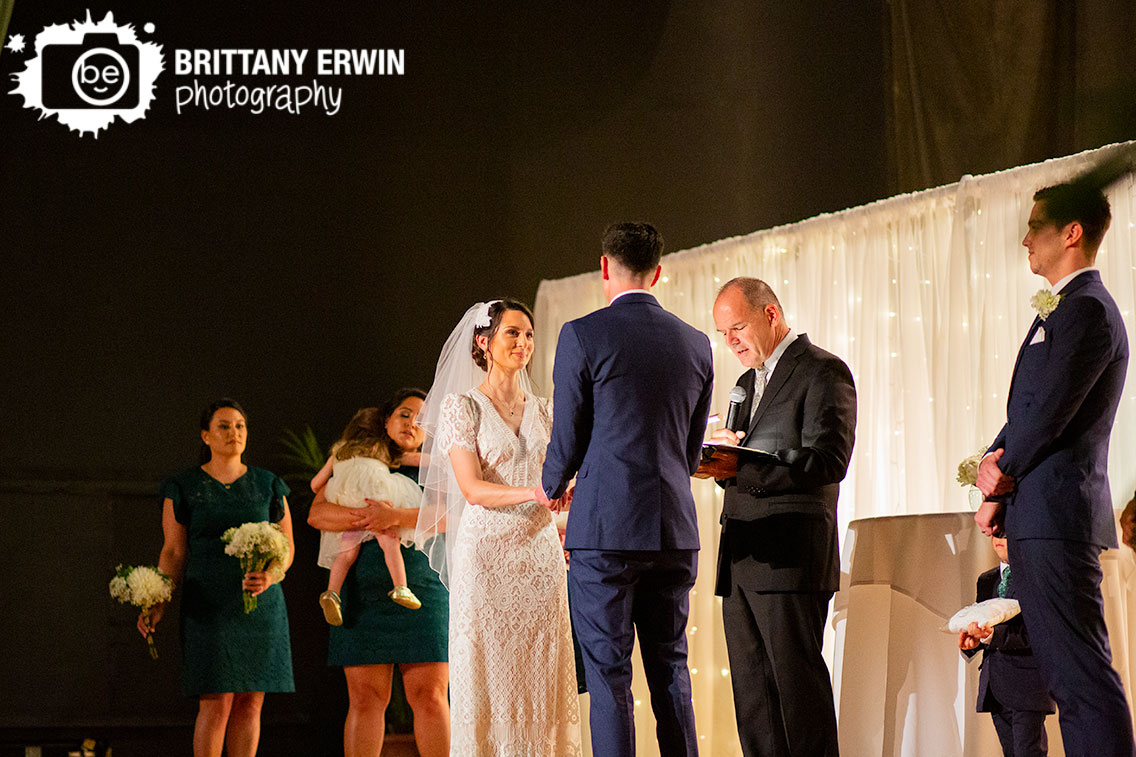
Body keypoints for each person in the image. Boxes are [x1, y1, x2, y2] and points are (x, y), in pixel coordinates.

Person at [538, 222, 714, 757]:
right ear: (657, 272)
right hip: (673, 528)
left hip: (605, 532)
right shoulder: (696, 342)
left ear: (604, 267)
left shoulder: (582, 334)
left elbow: (567, 437)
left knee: (610, 673)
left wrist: (551, 486)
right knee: (671, 668)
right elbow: (689, 451)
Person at [975, 176, 1136, 755]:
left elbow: (1048, 412)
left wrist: (997, 476)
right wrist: (988, 461)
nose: (1025, 238)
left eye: (1035, 225)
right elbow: (1027, 410)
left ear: (1071, 233)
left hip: (1057, 516)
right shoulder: (1065, 308)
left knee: (1081, 679)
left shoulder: (1089, 310)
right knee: (1070, 679)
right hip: (1039, 515)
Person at [414, 299, 581, 756]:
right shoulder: (462, 407)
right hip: (486, 556)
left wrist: (567, 492)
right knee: (488, 668)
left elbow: (563, 476)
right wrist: (535, 493)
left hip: (541, 555)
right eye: (513, 333)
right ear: (484, 343)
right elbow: (471, 488)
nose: (523, 343)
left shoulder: (547, 410)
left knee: (542, 667)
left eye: (528, 334)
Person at [706, 277, 855, 757]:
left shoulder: (823, 371)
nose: (730, 342)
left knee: (798, 699)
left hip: (790, 558)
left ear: (770, 314)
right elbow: (739, 463)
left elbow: (829, 459)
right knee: (754, 704)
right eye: (723, 333)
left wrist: (744, 464)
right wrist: (716, 460)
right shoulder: (746, 384)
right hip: (741, 556)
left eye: (737, 328)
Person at [137, 398, 295, 757]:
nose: (234, 433)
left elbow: (286, 547)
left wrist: (270, 576)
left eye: (240, 426)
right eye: (224, 426)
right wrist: (160, 600)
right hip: (208, 602)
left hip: (260, 603)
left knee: (251, 702)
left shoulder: (269, 484)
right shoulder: (184, 485)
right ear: (206, 435)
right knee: (216, 701)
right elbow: (173, 551)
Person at [308, 388, 450, 757]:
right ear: (385, 421)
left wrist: (396, 517)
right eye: (405, 414)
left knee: (430, 696)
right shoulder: (354, 458)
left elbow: (453, 517)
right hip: (360, 590)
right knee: (365, 699)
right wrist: (371, 517)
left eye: (421, 419)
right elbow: (316, 514)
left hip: (421, 585)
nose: (412, 423)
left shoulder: (436, 467)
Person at [313, 408, 425, 623]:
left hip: (346, 501)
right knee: (390, 542)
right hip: (375, 496)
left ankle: (331, 593)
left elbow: (315, 484)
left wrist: (336, 487)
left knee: (346, 553)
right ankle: (401, 587)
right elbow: (417, 460)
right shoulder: (381, 448)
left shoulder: (339, 449)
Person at [959, 535, 1055, 757]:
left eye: (1006, 530)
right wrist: (973, 643)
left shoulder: (1039, 577)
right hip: (996, 686)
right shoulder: (986, 580)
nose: (999, 537)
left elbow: (1041, 634)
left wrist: (994, 636)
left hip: (1029, 686)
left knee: (1028, 752)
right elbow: (985, 626)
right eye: (996, 532)